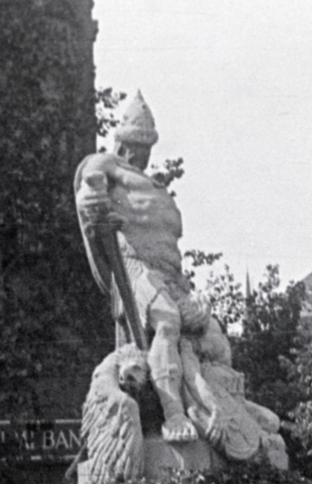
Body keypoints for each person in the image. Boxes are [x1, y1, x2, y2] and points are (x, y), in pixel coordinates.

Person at [73, 91, 234, 445]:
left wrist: (192, 295)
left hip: (170, 276)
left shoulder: (154, 185)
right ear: (124, 143)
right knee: (167, 320)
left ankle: (217, 414)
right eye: (136, 145)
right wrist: (94, 196)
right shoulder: (106, 164)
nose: (141, 154)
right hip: (135, 268)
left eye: (147, 147)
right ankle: (173, 413)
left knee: (212, 336)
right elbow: (90, 183)